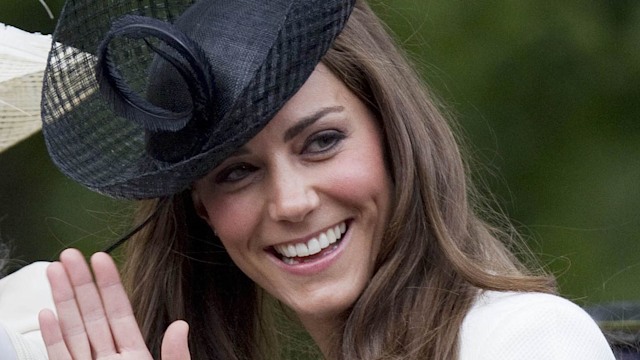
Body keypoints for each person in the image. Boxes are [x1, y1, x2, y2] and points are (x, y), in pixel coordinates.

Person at [5, 0, 616, 359]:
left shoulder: (524, 338)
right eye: (237, 172)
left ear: (391, 134)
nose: (292, 202)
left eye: (321, 142)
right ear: (200, 208)